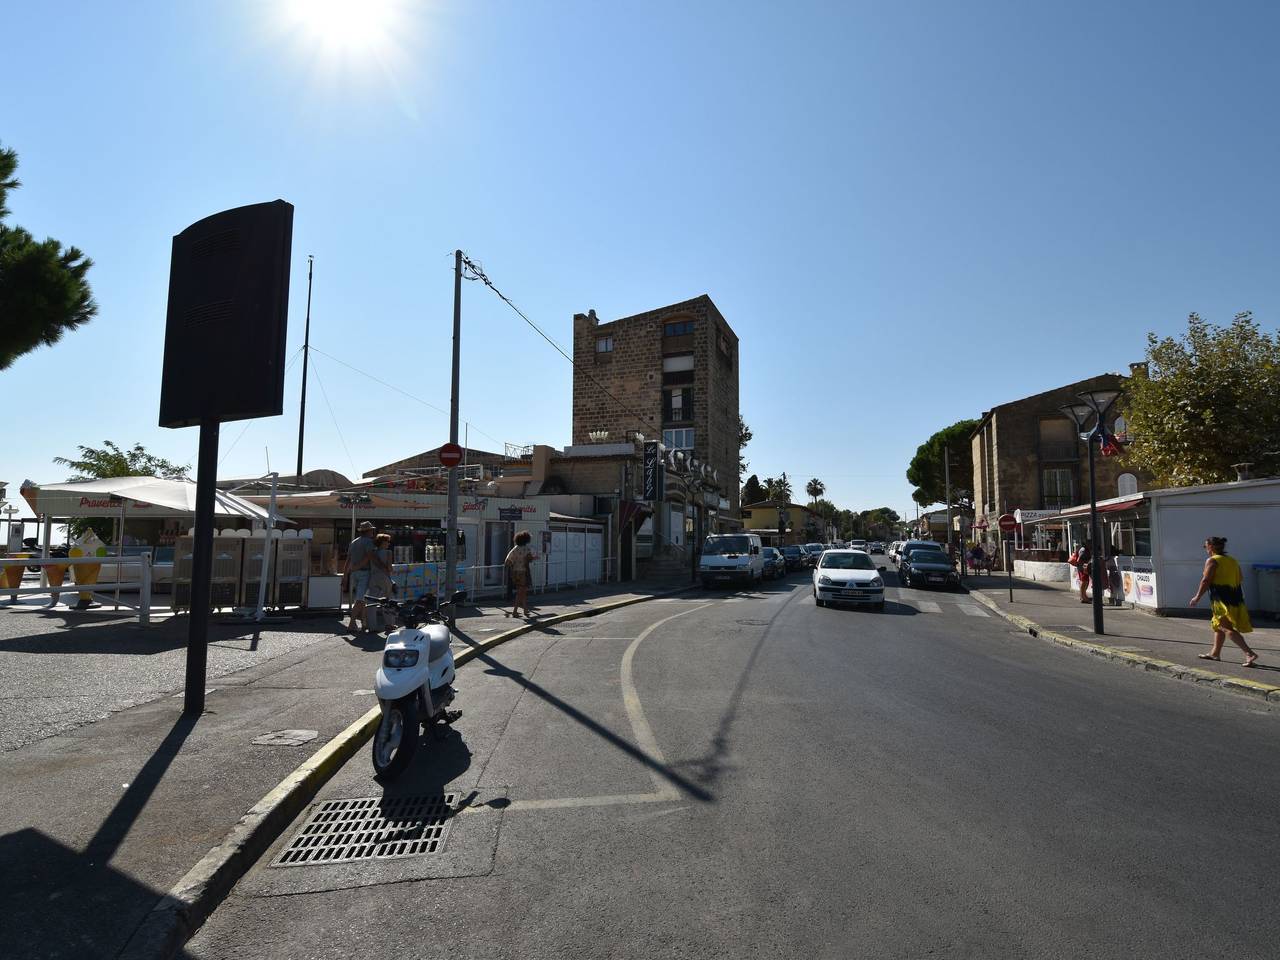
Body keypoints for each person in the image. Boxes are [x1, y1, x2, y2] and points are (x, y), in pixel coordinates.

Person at [1190, 536, 1258, 667]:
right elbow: (1240, 578)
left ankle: (1249, 653)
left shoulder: (1212, 561)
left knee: (1224, 627)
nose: (1205, 549)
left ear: (1211, 547)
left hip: (1221, 600)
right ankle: (1215, 653)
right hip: (1234, 599)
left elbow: (1206, 581)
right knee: (1218, 626)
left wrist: (1197, 597)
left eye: (1205, 546)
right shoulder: (1232, 560)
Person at [342, 520, 377, 632]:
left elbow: (348, 560)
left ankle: (364, 622)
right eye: (372, 530)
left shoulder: (354, 542)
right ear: (368, 531)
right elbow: (369, 556)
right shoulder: (368, 542)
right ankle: (352, 623)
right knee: (360, 599)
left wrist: (345, 575)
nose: (373, 531)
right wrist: (359, 566)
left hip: (354, 573)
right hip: (364, 572)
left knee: (361, 599)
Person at [503, 530, 535, 619]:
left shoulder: (515, 549)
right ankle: (515, 611)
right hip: (524, 572)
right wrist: (534, 558)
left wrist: (513, 566)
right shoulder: (526, 549)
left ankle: (525, 610)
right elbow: (530, 559)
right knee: (521, 592)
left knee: (522, 591)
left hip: (515, 573)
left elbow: (507, 561)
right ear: (526, 540)